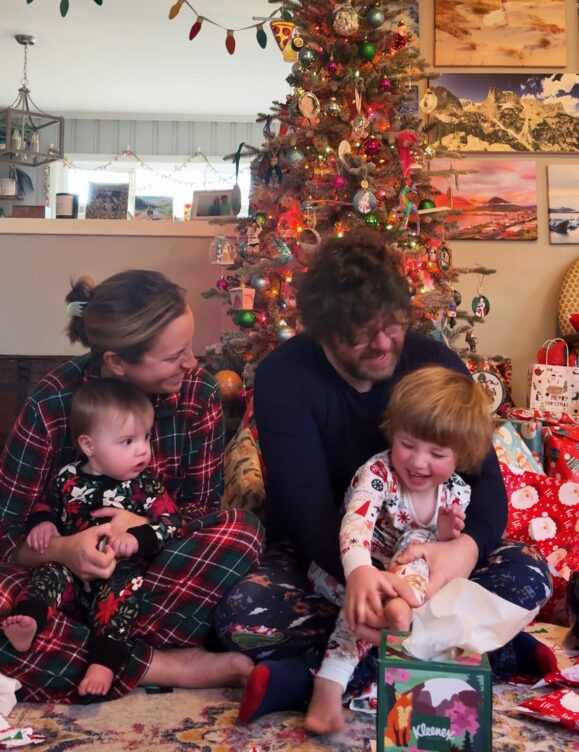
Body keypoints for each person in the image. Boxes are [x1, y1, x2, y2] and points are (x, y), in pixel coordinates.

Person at [213, 229, 553, 725]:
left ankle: (304, 678)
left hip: (429, 556)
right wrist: (368, 577)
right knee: (243, 614)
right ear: (325, 329)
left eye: (392, 325)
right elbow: (306, 510)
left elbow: (486, 486)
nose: (381, 343)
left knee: (529, 573)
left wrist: (463, 552)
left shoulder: (436, 364)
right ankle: (480, 648)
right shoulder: (285, 376)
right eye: (360, 332)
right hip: (330, 557)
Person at [0, 270, 264, 702]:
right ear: (117, 362)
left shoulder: (197, 393)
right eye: (174, 355)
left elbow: (200, 512)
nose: (192, 363)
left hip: (151, 579)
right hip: (55, 580)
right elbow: (6, 535)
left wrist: (140, 526)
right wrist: (67, 549)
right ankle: (160, 663)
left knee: (243, 531)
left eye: (190, 347)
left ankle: (80, 650)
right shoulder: (50, 404)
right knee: (16, 609)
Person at [305, 364, 493, 733]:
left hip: (412, 586)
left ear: (461, 455)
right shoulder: (378, 473)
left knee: (422, 549)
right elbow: (356, 523)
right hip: (348, 572)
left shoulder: (457, 492)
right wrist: (361, 572)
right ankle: (329, 685)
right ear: (394, 433)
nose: (418, 462)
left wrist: (445, 531)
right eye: (407, 445)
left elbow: (440, 555)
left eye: (437, 454)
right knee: (371, 601)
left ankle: (397, 615)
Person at [2, 378, 182, 698]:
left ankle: (104, 661)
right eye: (127, 441)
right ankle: (30, 618)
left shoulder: (145, 485)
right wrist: (43, 524)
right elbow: (47, 505)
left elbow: (171, 522)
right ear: (89, 446)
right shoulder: (67, 477)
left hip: (119, 571)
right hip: (72, 570)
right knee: (47, 574)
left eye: (146, 437)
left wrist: (139, 537)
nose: (142, 449)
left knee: (122, 596)